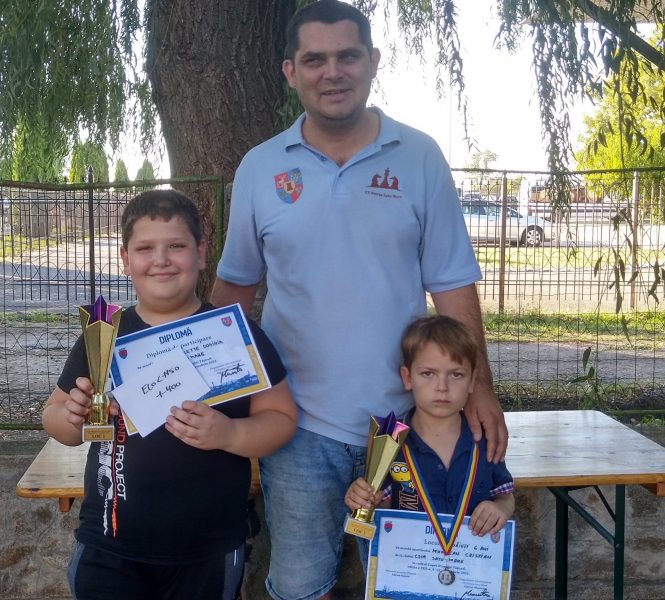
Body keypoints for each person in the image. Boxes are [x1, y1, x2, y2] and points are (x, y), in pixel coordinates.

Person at [210, 2, 508, 598]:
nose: (333, 72)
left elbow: (452, 284)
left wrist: (479, 388)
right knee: (300, 588)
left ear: (372, 61)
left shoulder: (420, 157)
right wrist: (207, 393)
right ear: (291, 71)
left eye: (347, 56)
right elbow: (234, 291)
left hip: (411, 427)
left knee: (416, 587)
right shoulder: (259, 168)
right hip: (296, 427)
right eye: (315, 59)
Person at [42, 190, 297, 600]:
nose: (160, 259)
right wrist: (72, 418)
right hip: (109, 546)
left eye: (176, 246)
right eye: (145, 249)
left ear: (201, 253)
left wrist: (230, 434)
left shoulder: (234, 333)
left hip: (207, 551)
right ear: (126, 260)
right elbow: (54, 418)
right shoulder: (104, 335)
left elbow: (282, 419)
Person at [345, 316, 514, 543]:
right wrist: (361, 498)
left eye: (456, 375)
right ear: (407, 378)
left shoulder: (483, 438)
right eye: (428, 374)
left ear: (472, 381)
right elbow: (379, 503)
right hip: (409, 559)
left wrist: (501, 509)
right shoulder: (389, 439)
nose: (442, 387)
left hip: (471, 559)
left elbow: (505, 496)